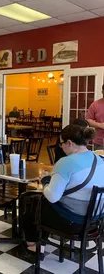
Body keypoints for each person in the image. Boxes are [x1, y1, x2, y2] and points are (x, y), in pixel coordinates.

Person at [22, 124, 104, 257]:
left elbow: (52, 197)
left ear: (69, 143)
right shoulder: (98, 159)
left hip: (73, 222)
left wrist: (45, 180)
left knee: (32, 209)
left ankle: (34, 246)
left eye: (61, 144)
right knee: (43, 206)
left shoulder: (65, 162)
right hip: (96, 222)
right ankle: (41, 241)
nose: (61, 147)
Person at [86, 85, 104, 150]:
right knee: (101, 160)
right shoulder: (95, 104)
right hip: (100, 142)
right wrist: (100, 125)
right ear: (102, 91)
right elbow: (88, 121)